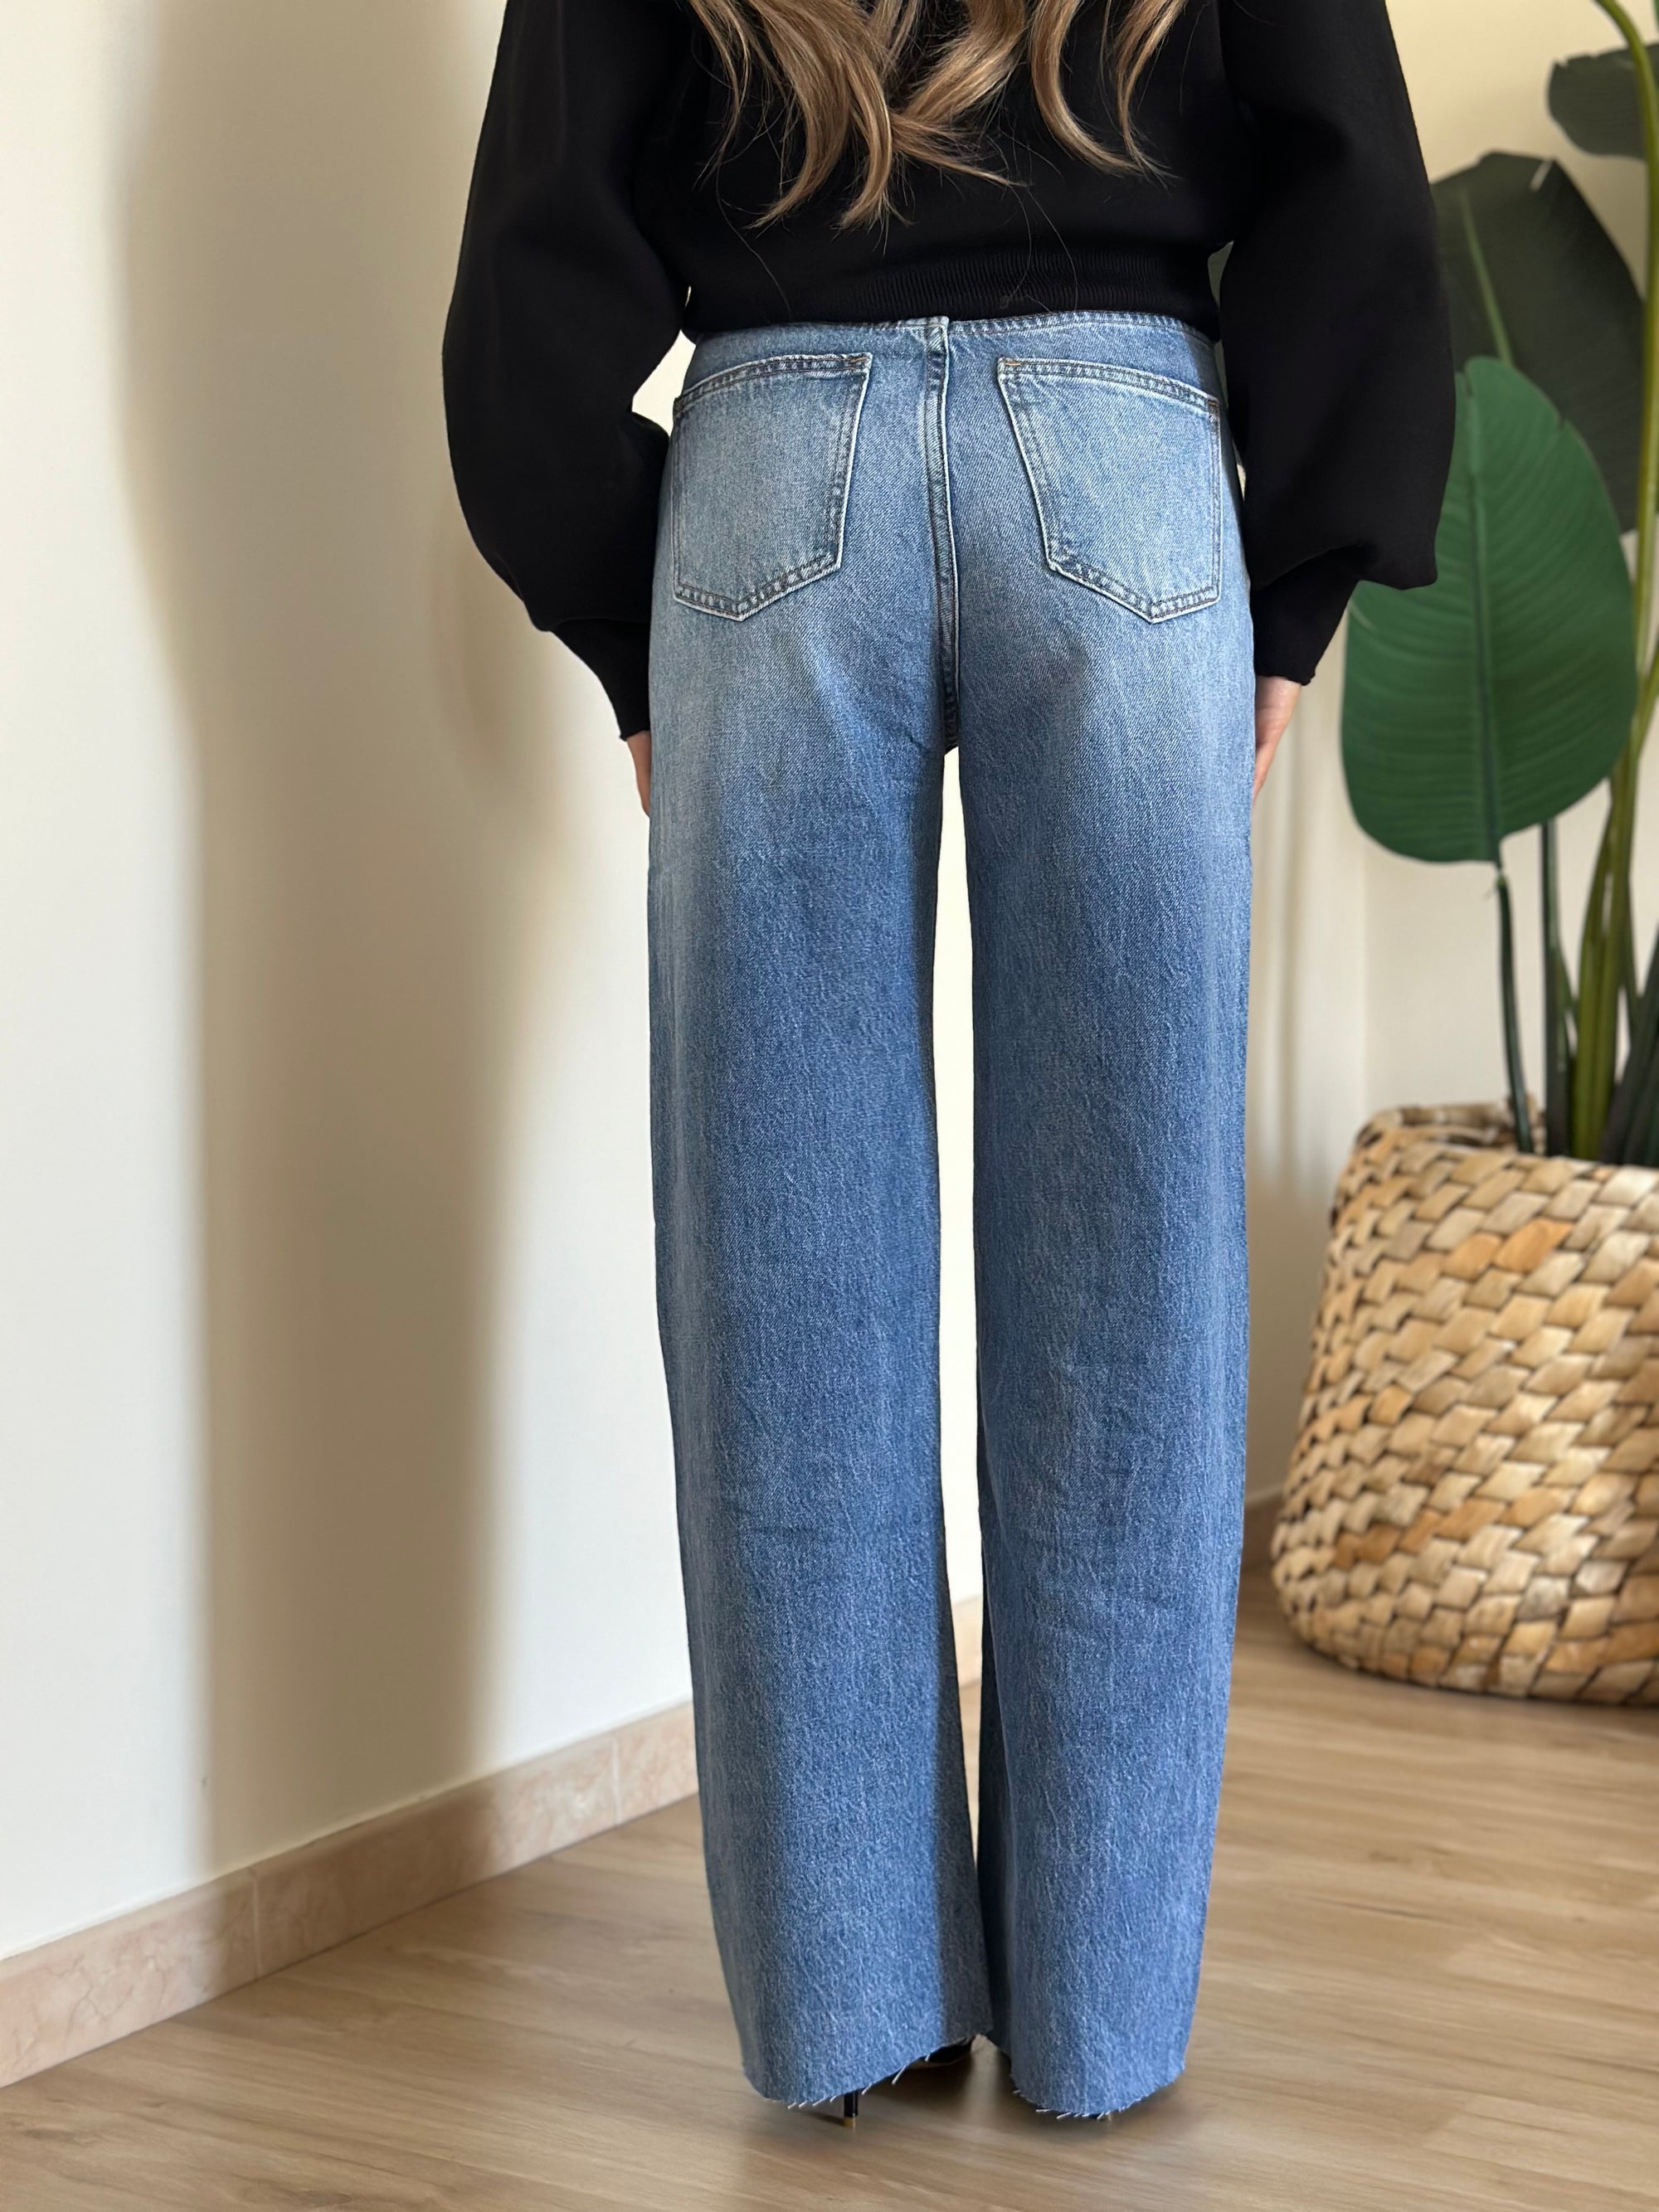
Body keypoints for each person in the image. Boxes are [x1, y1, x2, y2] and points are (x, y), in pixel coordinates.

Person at [443, 0, 1452, 2125]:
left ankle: (854, 2007)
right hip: (1124, 465)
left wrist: (634, 632)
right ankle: (1097, 2018)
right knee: (1132, 1280)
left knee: (781, 1285)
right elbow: (1346, 180)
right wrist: (1289, 594)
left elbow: (538, 251)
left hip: (768, 473)